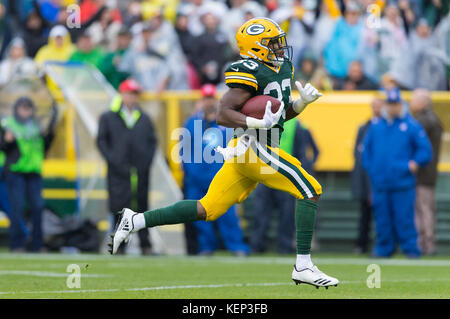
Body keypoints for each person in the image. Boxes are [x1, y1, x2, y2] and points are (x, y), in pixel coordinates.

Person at [110, 18, 339, 289]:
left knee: (207, 208)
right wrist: (256, 123)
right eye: (273, 43)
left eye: (279, 41)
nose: (280, 47)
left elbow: (276, 117)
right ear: (256, 48)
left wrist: (300, 104)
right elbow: (222, 114)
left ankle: (134, 220)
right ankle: (303, 265)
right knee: (309, 188)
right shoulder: (248, 70)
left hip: (251, 150)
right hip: (254, 147)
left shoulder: (282, 68)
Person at [362, 88, 432, 258]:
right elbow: (366, 151)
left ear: (401, 105)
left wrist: (414, 163)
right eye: (390, 104)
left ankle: (410, 249)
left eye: (396, 104)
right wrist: (372, 169)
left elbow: (425, 150)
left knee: (405, 218)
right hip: (380, 182)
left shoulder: (411, 126)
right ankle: (384, 249)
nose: (393, 108)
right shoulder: (376, 126)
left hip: (403, 182)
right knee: (382, 219)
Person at [182, 84, 250, 256]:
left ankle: (236, 246)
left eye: (211, 98)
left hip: (220, 177)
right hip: (197, 179)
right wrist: (192, 173)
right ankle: (206, 246)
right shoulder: (191, 123)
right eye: (205, 99)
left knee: (228, 215)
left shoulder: (226, 123)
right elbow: (184, 151)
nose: (208, 102)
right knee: (200, 217)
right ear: (201, 101)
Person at [97, 79, 157, 255]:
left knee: (142, 206)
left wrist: (145, 163)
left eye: (134, 94)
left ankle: (145, 244)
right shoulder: (109, 117)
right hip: (118, 172)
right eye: (129, 93)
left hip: (140, 171)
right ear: (121, 94)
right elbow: (102, 141)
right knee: (119, 207)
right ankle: (119, 245)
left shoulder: (144, 118)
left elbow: (152, 143)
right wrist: (114, 160)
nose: (131, 97)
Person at [250, 118, 319, 254]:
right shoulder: (266, 120)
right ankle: (259, 245)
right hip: (268, 173)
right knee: (263, 213)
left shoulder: (296, 125)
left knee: (285, 215)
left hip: (283, 175)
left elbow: (304, 153)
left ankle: (281, 246)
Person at [0, 97, 58, 252]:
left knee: (38, 208)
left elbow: (45, 145)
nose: (26, 111)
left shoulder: (36, 126)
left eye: (29, 108)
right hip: (15, 171)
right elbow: (2, 147)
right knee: (16, 208)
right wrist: (7, 140)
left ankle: (37, 245)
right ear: (17, 109)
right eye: (23, 108)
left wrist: (51, 129)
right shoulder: (8, 125)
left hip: (34, 172)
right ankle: (17, 244)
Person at [409, 88, 443, 255]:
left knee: (424, 210)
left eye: (414, 100)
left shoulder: (424, 121)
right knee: (425, 209)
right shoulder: (431, 119)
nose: (411, 103)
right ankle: (425, 243)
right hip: (427, 173)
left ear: (422, 102)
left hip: (423, 174)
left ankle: (426, 244)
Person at [351, 97, 383, 254]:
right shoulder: (364, 128)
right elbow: (357, 154)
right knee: (365, 214)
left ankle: (383, 245)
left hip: (381, 178)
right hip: (366, 178)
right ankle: (362, 245)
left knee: (382, 215)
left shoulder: (386, 127)